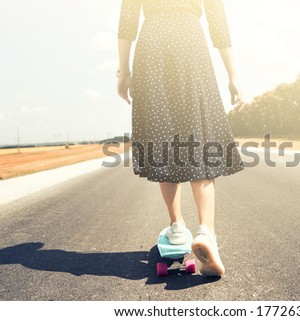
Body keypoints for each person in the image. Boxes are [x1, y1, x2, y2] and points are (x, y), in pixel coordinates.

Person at [117, 0, 245, 277]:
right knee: (198, 138)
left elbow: (127, 23)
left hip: (151, 46)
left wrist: (123, 72)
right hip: (191, 44)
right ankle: (206, 232)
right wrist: (233, 76)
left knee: (162, 138)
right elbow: (218, 24)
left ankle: (176, 227)